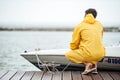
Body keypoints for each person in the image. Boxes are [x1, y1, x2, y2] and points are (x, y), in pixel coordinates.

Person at [65, 8, 106, 75]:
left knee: (68, 55)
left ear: (86, 15)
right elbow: (100, 38)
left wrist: (75, 49)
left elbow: (74, 43)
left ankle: (87, 64)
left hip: (88, 54)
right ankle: (94, 65)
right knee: (90, 51)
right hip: (101, 54)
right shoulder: (99, 24)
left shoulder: (80, 25)